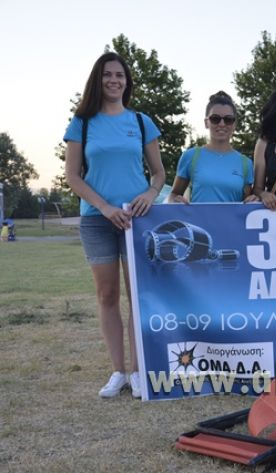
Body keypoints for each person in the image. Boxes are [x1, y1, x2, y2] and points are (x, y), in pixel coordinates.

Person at [64, 52, 165, 399]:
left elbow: (159, 173)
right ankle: (118, 371)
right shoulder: (82, 123)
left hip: (137, 221)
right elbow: (72, 176)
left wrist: (150, 194)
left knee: (137, 296)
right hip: (98, 220)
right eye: (107, 74)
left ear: (126, 81)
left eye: (119, 75)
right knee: (107, 295)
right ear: (98, 79)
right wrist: (105, 207)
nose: (113, 80)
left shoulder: (141, 121)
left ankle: (137, 371)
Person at [168, 91, 253, 203]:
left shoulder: (246, 164)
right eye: (215, 119)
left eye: (228, 119)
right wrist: (175, 201)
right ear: (206, 123)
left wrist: (253, 200)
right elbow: (174, 194)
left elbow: (247, 204)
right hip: (197, 216)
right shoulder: (191, 156)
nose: (222, 124)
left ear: (234, 124)